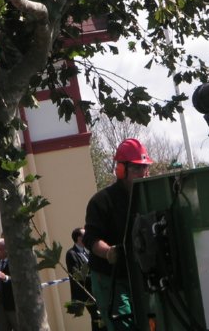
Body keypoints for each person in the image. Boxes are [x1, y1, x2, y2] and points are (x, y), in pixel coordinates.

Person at [84, 138, 153, 331]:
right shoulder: (101, 201)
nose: (143, 174)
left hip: (140, 275)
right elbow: (91, 238)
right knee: (125, 326)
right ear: (121, 170)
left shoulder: (149, 197)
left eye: (145, 168)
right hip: (110, 277)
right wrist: (108, 252)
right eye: (137, 169)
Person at [65, 227, 100, 331]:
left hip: (96, 290)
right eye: (85, 235)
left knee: (99, 316)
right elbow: (76, 275)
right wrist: (94, 277)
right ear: (79, 238)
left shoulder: (88, 251)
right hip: (86, 292)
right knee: (97, 315)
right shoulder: (71, 254)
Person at [0, 238, 17, 331]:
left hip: (12, 303)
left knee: (18, 326)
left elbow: (18, 281)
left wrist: (6, 278)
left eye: (0, 249)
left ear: (7, 249)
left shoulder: (14, 262)